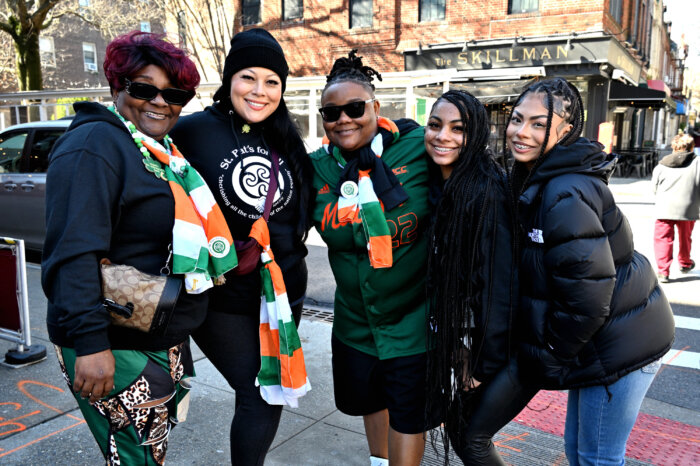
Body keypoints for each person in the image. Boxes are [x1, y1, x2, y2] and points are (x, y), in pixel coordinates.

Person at [42, 31, 236, 464]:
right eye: (144, 89)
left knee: (147, 454)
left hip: (150, 331)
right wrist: (90, 345)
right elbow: (72, 255)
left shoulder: (157, 152)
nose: (160, 102)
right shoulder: (94, 145)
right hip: (112, 340)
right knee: (137, 458)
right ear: (117, 86)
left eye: (176, 94)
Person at [508, 78, 675, 465]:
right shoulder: (546, 175)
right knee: (581, 452)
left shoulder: (564, 191)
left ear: (565, 132)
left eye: (538, 124)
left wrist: (551, 352)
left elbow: (588, 297)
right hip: (602, 338)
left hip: (622, 343)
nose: (521, 132)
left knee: (597, 457)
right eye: (517, 120)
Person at [169, 28, 313, 465]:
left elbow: (296, 213)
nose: (260, 90)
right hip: (222, 297)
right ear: (229, 79)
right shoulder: (191, 132)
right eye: (248, 77)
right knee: (261, 394)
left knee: (267, 390)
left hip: (282, 294)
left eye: (272, 81)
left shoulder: (285, 137)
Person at [309, 50, 433, 466]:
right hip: (354, 324)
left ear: (376, 108)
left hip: (412, 320)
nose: (343, 119)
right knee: (370, 402)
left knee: (409, 415)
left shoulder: (417, 148)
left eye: (354, 108)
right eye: (331, 112)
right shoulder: (317, 168)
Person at [423, 90, 535, 465]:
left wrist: (480, 365)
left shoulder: (485, 191)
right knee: (460, 428)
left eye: (459, 129)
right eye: (436, 125)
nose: (444, 137)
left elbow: (497, 288)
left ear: (478, 135)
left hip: (507, 345)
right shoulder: (447, 184)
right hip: (477, 340)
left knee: (470, 435)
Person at [651, 133, 700, 283]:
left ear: (674, 146)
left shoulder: (662, 164)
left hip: (664, 207)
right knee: (686, 237)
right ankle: (685, 264)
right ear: (692, 147)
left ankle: (663, 271)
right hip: (688, 208)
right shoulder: (697, 163)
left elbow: (654, 187)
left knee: (663, 238)